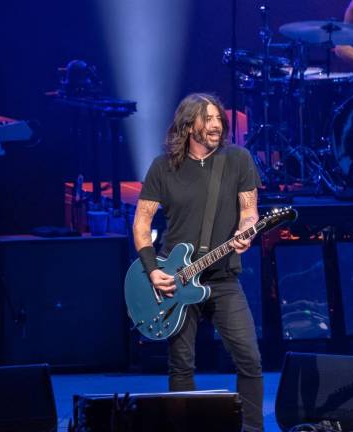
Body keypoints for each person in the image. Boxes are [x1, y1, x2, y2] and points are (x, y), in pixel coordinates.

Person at [132, 93, 263, 431]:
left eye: (219, 118)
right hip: (176, 279)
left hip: (223, 277)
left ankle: (252, 429)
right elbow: (142, 223)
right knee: (181, 365)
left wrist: (246, 231)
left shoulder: (238, 159)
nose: (216, 124)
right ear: (189, 125)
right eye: (208, 119)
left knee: (250, 359)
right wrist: (153, 270)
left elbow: (250, 212)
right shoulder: (163, 167)